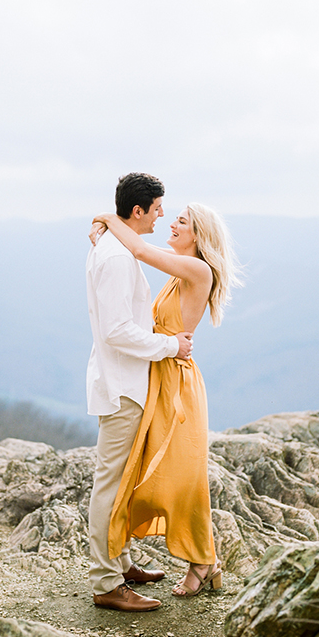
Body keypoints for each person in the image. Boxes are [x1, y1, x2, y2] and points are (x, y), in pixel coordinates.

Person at [90, 201, 241, 598]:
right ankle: (126, 558)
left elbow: (139, 251)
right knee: (147, 473)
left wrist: (108, 219)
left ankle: (203, 560)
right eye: (171, 216)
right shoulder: (178, 274)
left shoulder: (197, 269)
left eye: (182, 221)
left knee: (184, 478)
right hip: (159, 375)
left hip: (177, 383)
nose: (172, 223)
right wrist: (101, 239)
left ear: (198, 235)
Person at [86, 172, 194, 612]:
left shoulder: (113, 246)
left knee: (122, 479)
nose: (162, 215)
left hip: (129, 382)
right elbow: (117, 331)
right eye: (158, 208)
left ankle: (122, 562)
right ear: (138, 210)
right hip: (122, 386)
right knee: (109, 484)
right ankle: (106, 583)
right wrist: (171, 345)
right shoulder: (115, 256)